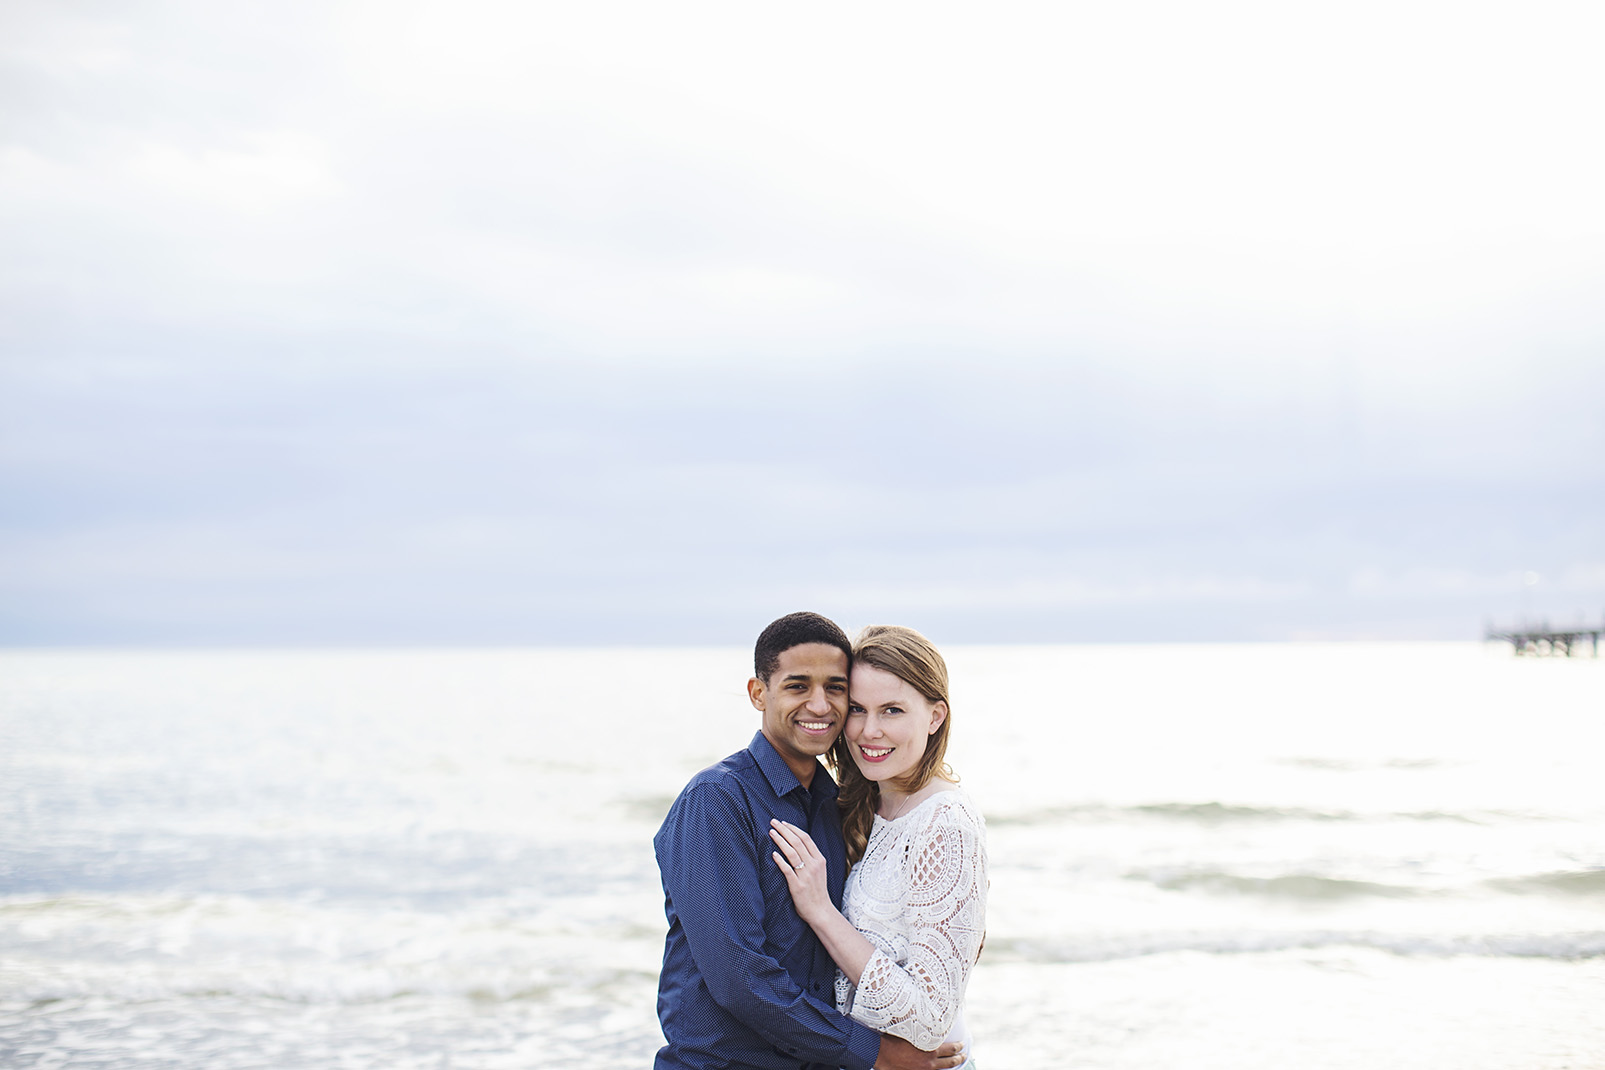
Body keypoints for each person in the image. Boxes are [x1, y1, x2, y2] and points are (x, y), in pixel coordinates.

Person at [654, 612, 967, 1070]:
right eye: (798, 686)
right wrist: (874, 1053)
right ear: (759, 693)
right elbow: (739, 978)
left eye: (836, 688)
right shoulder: (717, 801)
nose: (820, 705)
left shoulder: (836, 804)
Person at [766, 625, 986, 1066]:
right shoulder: (860, 802)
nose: (869, 731)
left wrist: (820, 910)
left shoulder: (946, 821)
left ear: (935, 716)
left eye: (891, 711)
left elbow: (929, 1017)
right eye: (858, 709)